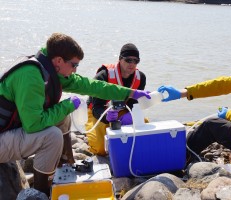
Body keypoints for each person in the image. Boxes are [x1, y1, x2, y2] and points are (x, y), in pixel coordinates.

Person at [0, 33, 150, 196]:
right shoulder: (31, 76)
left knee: (62, 118)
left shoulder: (49, 68)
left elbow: (91, 86)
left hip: (8, 132)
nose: (75, 70)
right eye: (74, 65)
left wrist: (131, 93)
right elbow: (33, 125)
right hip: (3, 137)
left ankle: (65, 165)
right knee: (53, 136)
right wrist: (67, 105)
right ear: (58, 60)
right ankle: (40, 193)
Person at [85, 43, 147, 156]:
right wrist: (106, 117)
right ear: (120, 59)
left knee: (145, 129)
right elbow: (96, 107)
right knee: (100, 149)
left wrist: (130, 114)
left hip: (123, 110)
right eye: (128, 60)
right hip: (99, 112)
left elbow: (133, 104)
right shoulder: (103, 76)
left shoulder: (141, 77)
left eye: (136, 61)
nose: (132, 64)